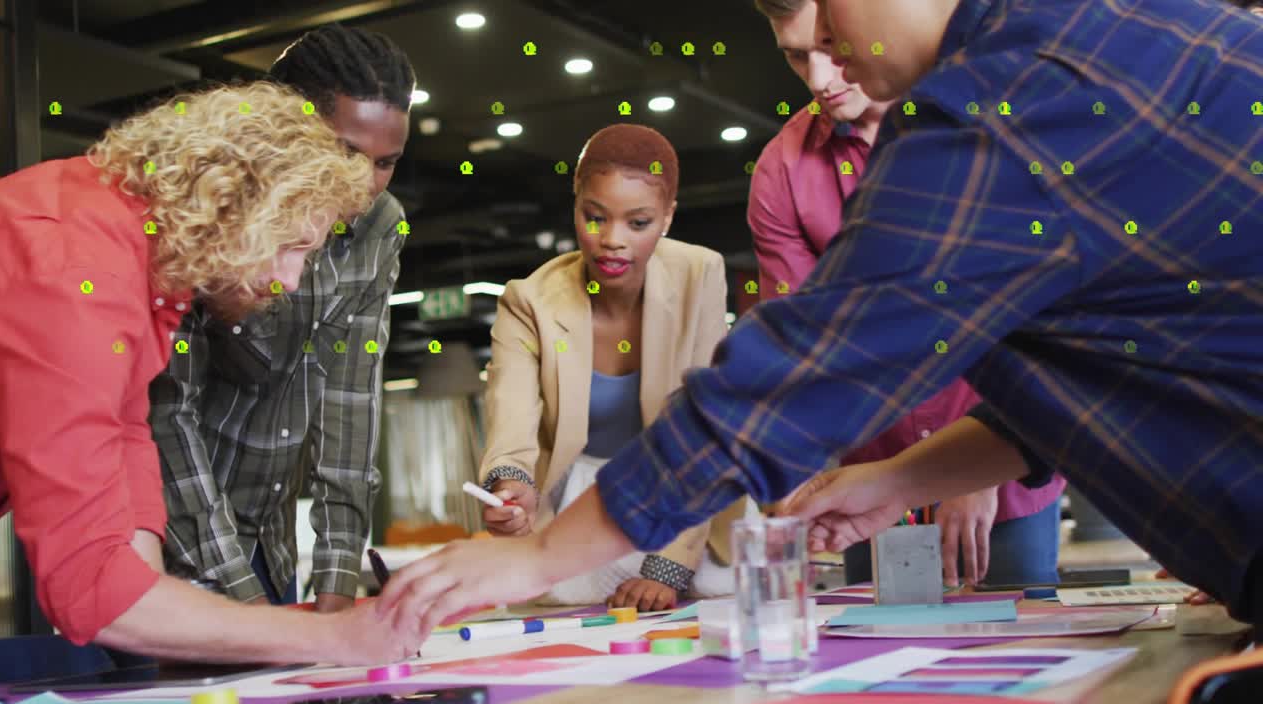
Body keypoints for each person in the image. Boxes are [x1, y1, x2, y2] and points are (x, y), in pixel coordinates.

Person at [374, 0, 1263, 638]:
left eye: (829, 25)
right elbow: (1097, 372)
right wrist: (895, 482)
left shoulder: (993, 110)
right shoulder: (1124, 27)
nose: (826, 64)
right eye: (801, 50)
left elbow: (791, 380)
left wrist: (534, 562)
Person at [0, 81, 420, 671]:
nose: (290, 281)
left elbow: (127, 497)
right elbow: (93, 595)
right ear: (232, 204)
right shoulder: (77, 269)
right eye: (290, 246)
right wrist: (334, 639)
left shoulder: (142, 264)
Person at [749, 0, 1063, 588]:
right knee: (880, 669)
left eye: (829, 46)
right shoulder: (783, 170)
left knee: (1024, 656)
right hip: (869, 484)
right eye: (795, 56)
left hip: (1004, 458)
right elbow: (806, 343)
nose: (818, 81)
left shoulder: (994, 115)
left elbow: (1035, 311)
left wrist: (972, 471)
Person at [150, 24, 413, 613]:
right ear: (282, 125)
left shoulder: (379, 226)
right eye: (346, 153)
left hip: (269, 548)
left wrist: (338, 578)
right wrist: (246, 606)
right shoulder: (202, 202)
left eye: (386, 163)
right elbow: (168, 415)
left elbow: (350, 399)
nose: (363, 186)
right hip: (163, 546)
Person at [477, 124, 747, 611]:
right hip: (579, 501)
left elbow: (701, 431)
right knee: (559, 606)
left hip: (682, 494)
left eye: (637, 223)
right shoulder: (528, 300)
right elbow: (510, 415)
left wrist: (667, 566)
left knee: (711, 593)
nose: (611, 241)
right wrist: (510, 486)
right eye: (594, 217)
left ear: (667, 217)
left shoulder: (699, 274)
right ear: (575, 205)